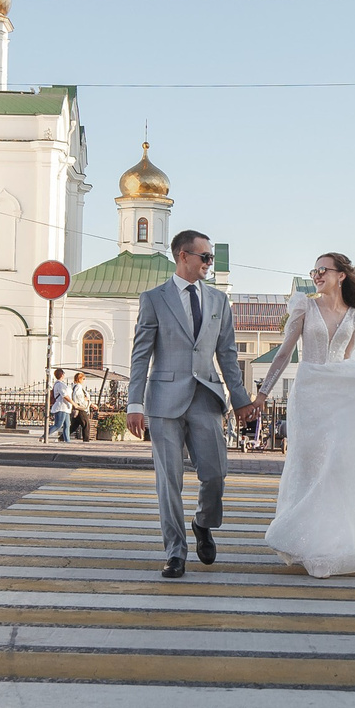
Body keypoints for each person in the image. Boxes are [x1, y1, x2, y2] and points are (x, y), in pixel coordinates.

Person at [239, 252, 355, 577]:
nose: (317, 275)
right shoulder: (304, 307)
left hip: (340, 395)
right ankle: (302, 539)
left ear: (341, 276)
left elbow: (347, 359)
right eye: (315, 270)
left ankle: (332, 544)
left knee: (339, 466)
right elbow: (283, 353)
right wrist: (262, 394)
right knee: (309, 467)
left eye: (324, 270)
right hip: (310, 394)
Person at [127, 230, 244, 578]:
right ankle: (175, 552)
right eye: (204, 257)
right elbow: (140, 354)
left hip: (206, 398)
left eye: (210, 258)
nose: (209, 263)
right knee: (169, 481)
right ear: (183, 256)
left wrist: (241, 401)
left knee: (215, 475)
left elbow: (228, 354)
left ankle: (203, 522)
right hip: (163, 402)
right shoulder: (154, 299)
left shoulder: (218, 301)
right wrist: (135, 402)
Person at [48, 368, 72, 442]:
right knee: (58, 425)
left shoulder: (62, 384)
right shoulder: (59, 384)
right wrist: (73, 403)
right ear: (62, 375)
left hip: (66, 407)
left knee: (67, 425)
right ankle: (44, 436)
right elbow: (64, 395)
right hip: (61, 406)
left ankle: (67, 440)